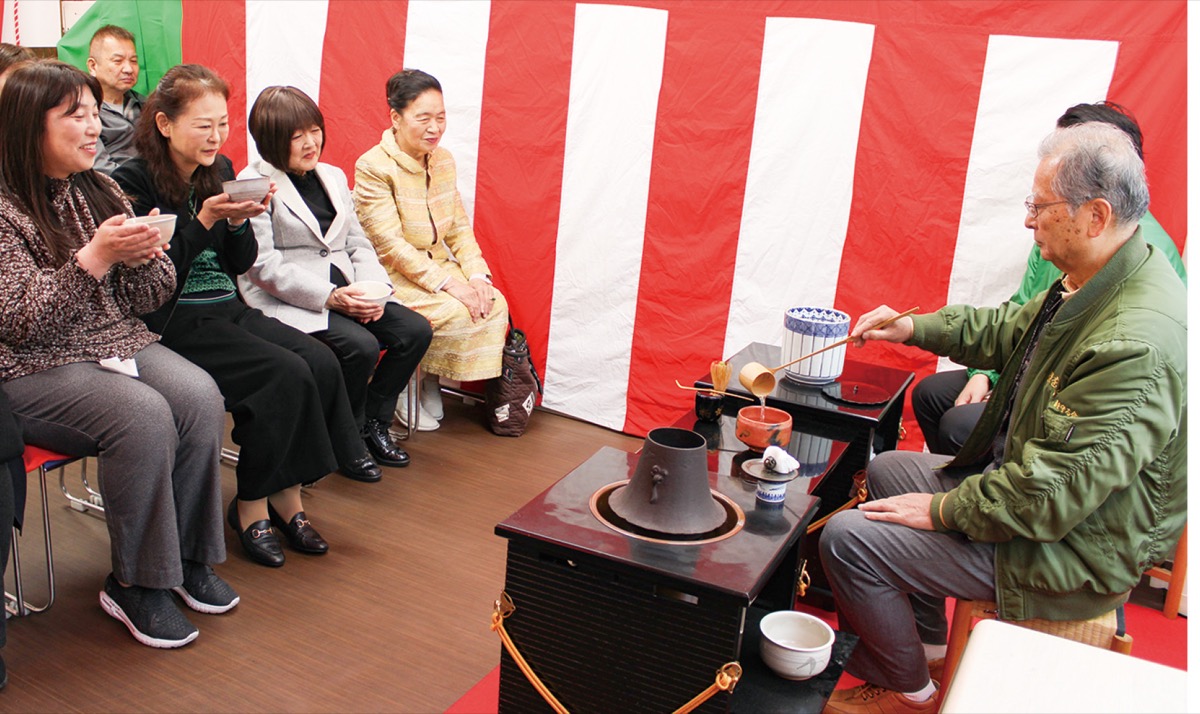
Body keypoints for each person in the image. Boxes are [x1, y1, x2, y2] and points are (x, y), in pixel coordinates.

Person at [817, 121, 1186, 714]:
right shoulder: (1106, 272)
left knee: (848, 539)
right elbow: (1009, 329)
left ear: (1095, 215)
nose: (1029, 222)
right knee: (886, 471)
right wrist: (912, 327)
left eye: (1040, 207)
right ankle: (929, 649)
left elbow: (1049, 496)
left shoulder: (1132, 342)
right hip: (1049, 504)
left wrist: (942, 510)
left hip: (1075, 548)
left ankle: (909, 694)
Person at [0, 61, 237, 649]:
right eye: (75, 115)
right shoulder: (4, 206)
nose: (93, 127)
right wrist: (96, 258)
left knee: (199, 396)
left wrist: (144, 258)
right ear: (28, 126)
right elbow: (23, 324)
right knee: (142, 414)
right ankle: (137, 582)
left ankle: (188, 559)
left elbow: (148, 298)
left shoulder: (99, 188)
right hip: (31, 366)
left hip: (112, 341)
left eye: (92, 113)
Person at [113, 65, 383, 570]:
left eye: (222, 124)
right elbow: (152, 279)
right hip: (172, 319)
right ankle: (252, 505)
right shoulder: (133, 180)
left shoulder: (220, 168)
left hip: (226, 305)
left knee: (319, 362)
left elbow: (239, 263)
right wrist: (206, 219)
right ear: (165, 124)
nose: (216, 137)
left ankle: (287, 496)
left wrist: (238, 223)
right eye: (203, 125)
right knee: (281, 374)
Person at [912, 101, 1187, 456]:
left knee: (955, 427)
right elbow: (1019, 320)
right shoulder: (1069, 245)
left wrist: (1011, 392)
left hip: (1062, 393)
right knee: (931, 395)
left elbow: (1068, 465)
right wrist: (981, 370)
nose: (1030, 221)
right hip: (1039, 368)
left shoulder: (1134, 328)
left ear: (1097, 211)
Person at [239, 86, 431, 467]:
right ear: (272, 139)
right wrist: (330, 297)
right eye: (297, 136)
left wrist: (375, 292)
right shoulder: (255, 183)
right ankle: (347, 439)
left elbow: (357, 242)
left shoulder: (332, 175)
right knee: (360, 347)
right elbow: (262, 266)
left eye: (315, 131)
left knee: (415, 331)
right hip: (294, 297)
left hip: (348, 287)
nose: (311, 143)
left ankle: (373, 422)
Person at [354, 69, 509, 431]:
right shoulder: (373, 166)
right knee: (454, 309)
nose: (434, 128)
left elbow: (458, 228)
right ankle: (404, 384)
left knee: (493, 301)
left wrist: (476, 275)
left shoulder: (443, 160)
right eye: (423, 118)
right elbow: (389, 245)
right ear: (396, 118)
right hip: (391, 272)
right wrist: (451, 285)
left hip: (437, 265)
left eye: (440, 117)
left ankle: (429, 379)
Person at [86, 25, 144, 173]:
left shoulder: (145, 105)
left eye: (133, 61)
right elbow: (99, 168)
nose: (128, 69)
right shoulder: (84, 112)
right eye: (118, 61)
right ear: (93, 66)